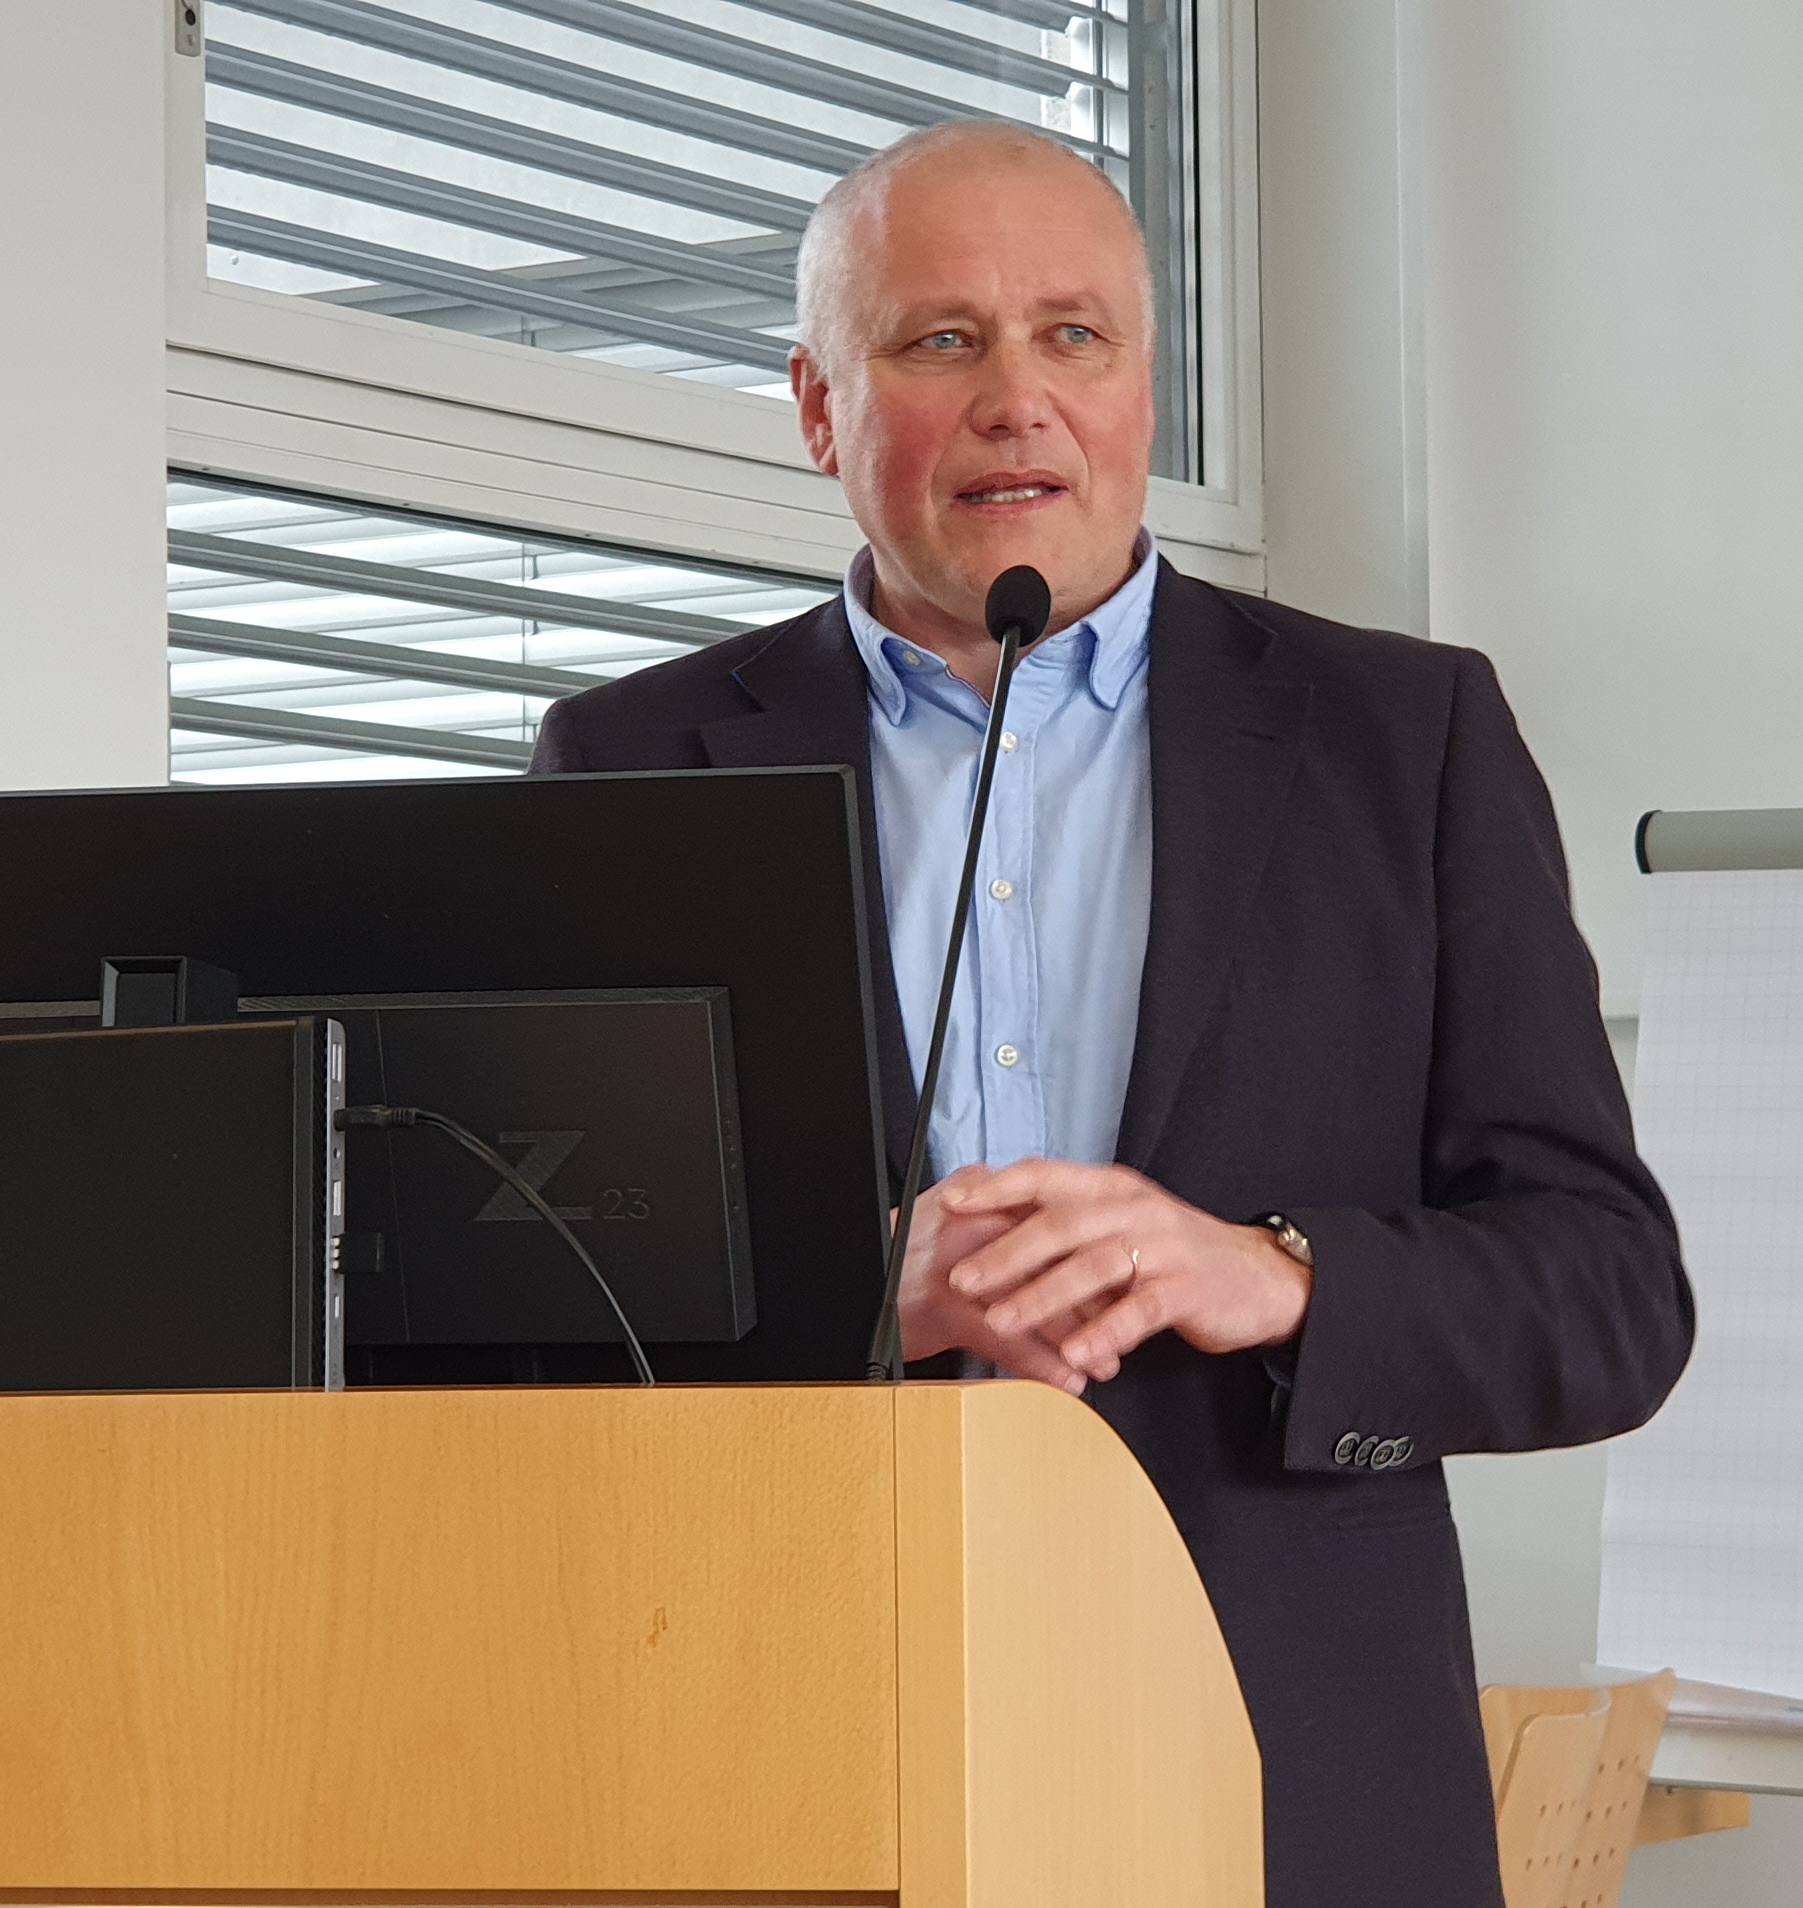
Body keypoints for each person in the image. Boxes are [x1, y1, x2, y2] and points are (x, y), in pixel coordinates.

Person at [531, 120, 1694, 1907]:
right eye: (942, 340)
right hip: (783, 1747)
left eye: (1073, 335)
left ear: (1144, 387)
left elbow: (1608, 1296)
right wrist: (856, 1293)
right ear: (822, 408)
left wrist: (1276, 1273)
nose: (1019, 401)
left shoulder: (1408, 740)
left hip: (1290, 1772)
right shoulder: (629, 764)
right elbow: (524, 1310)